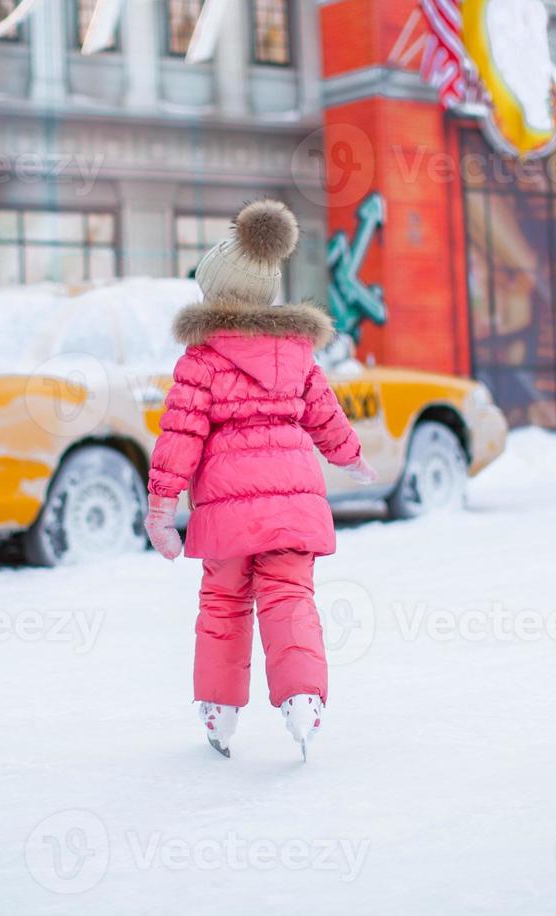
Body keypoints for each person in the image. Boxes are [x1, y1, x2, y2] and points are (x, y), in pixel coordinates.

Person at [144, 199, 376, 760]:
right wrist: (350, 458)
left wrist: (160, 507)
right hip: (293, 505)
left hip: (226, 511)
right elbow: (326, 416)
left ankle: (220, 712)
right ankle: (301, 699)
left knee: (223, 604)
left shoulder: (202, 360)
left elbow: (180, 434)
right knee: (290, 596)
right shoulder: (298, 355)